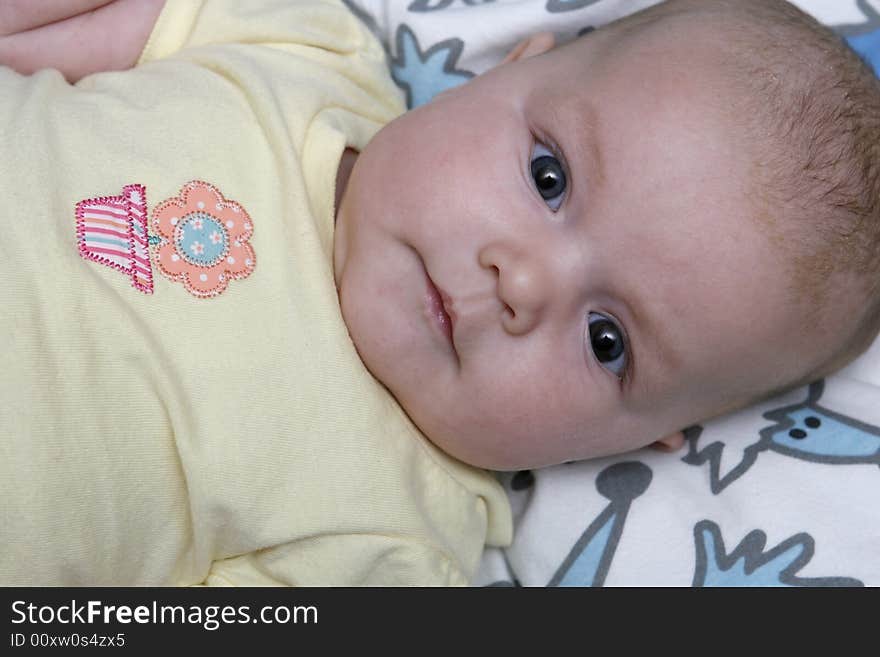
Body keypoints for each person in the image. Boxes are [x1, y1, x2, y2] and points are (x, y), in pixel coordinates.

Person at [0, 0, 877, 585]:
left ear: (648, 436)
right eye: (549, 175)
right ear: (510, 67)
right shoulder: (298, 49)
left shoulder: (397, 541)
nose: (523, 281)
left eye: (607, 339)